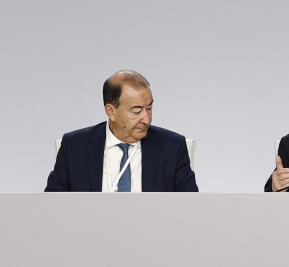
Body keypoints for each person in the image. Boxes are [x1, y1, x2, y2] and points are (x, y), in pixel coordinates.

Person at [45, 70, 198, 192]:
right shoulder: (75, 147)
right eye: (137, 111)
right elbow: (51, 206)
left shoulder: (172, 148)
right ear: (111, 111)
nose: (146, 119)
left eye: (149, 108)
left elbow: (191, 208)